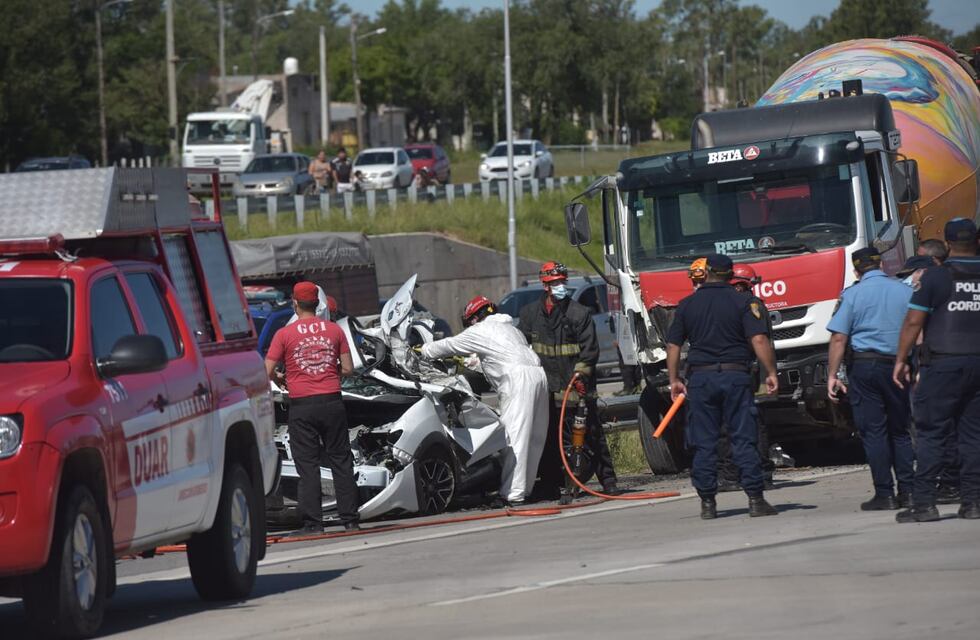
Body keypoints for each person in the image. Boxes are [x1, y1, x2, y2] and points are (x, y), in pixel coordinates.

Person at [666, 253, 779, 519]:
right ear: (730, 275)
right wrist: (771, 372)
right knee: (743, 437)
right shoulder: (743, 302)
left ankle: (707, 502)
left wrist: (674, 380)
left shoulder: (686, 305)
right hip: (735, 376)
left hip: (701, 380)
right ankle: (755, 499)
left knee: (704, 441)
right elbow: (759, 340)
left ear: (705, 274)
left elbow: (673, 346)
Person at [421, 296, 549, 504]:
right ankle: (524, 489)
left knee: (514, 438)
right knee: (534, 438)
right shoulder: (511, 329)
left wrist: (423, 350)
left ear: (475, 318)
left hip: (518, 380)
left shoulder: (481, 330)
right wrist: (476, 362)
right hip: (538, 376)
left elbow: (450, 345)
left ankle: (512, 495)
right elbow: (499, 358)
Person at [893, 218, 980, 523]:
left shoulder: (935, 278)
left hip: (943, 363)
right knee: (973, 436)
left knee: (931, 434)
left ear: (946, 244)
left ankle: (924, 504)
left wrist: (902, 360)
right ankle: (973, 502)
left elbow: (914, 321)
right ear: (977, 240)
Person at [265, 282, 360, 535]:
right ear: (318, 304)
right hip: (332, 401)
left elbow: (267, 369)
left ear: (295, 304)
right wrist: (329, 371)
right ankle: (350, 520)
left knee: (307, 465)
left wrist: (280, 379)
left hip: (303, 405)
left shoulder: (284, 334)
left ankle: (313, 524)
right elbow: (349, 368)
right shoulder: (334, 330)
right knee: (341, 459)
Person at [520, 261, 620, 500]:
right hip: (546, 389)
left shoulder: (579, 313)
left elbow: (590, 351)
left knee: (592, 434)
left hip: (576, 387)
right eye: (555, 283)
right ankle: (552, 484)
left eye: (562, 282)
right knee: (548, 441)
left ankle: (608, 481)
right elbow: (522, 349)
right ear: (545, 285)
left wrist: (581, 375)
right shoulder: (530, 315)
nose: (560, 286)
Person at [826, 248, 915, 510]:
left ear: (856, 271)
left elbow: (839, 337)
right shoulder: (904, 290)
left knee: (874, 431)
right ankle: (908, 491)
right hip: (898, 366)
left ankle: (885, 494)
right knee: (900, 431)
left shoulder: (852, 294)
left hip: (865, 368)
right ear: (882, 265)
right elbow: (917, 327)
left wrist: (832, 374)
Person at [717, 263, 775, 491]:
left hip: (750, 371)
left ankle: (759, 472)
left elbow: (757, 341)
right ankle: (750, 472)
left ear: (740, 286)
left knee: (751, 422)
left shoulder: (750, 306)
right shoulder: (748, 305)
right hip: (747, 370)